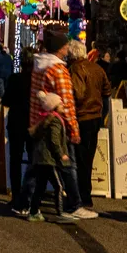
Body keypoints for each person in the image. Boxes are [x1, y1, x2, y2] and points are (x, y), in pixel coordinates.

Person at [29, 26, 92, 218]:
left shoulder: (38, 66)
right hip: (57, 123)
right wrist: (73, 130)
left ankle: (27, 204)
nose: (67, 49)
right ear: (60, 48)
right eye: (65, 46)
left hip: (39, 122)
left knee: (40, 168)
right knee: (67, 164)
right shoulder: (58, 70)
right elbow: (67, 101)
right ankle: (74, 204)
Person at [67, 40, 110, 209]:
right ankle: (85, 193)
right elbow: (107, 91)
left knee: (78, 159)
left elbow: (77, 93)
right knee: (88, 157)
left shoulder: (76, 69)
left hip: (82, 117)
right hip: (95, 117)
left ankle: (81, 195)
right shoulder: (97, 69)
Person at [25, 91, 75, 223]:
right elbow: (54, 140)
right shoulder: (55, 120)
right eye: (61, 104)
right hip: (49, 160)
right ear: (55, 106)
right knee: (58, 186)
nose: (63, 106)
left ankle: (34, 212)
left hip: (42, 158)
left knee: (40, 186)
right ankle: (61, 212)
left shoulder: (48, 118)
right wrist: (61, 154)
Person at [3, 49, 36, 215]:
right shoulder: (38, 80)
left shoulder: (15, 78)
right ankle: (29, 196)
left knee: (15, 159)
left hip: (17, 122)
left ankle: (16, 195)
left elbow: (6, 100)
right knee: (33, 160)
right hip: (33, 123)